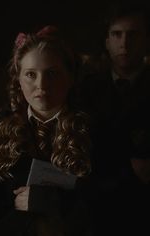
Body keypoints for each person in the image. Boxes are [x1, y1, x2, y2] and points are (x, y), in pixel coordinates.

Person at [0, 25, 92, 236]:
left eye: (52, 73)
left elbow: (117, 206)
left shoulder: (96, 132)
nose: (42, 85)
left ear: (70, 77)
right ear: (18, 79)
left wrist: (56, 202)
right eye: (31, 74)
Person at [77, 2, 150, 234]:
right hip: (95, 210)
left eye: (133, 35)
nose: (124, 43)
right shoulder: (84, 90)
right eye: (117, 35)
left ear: (147, 40)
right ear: (107, 41)